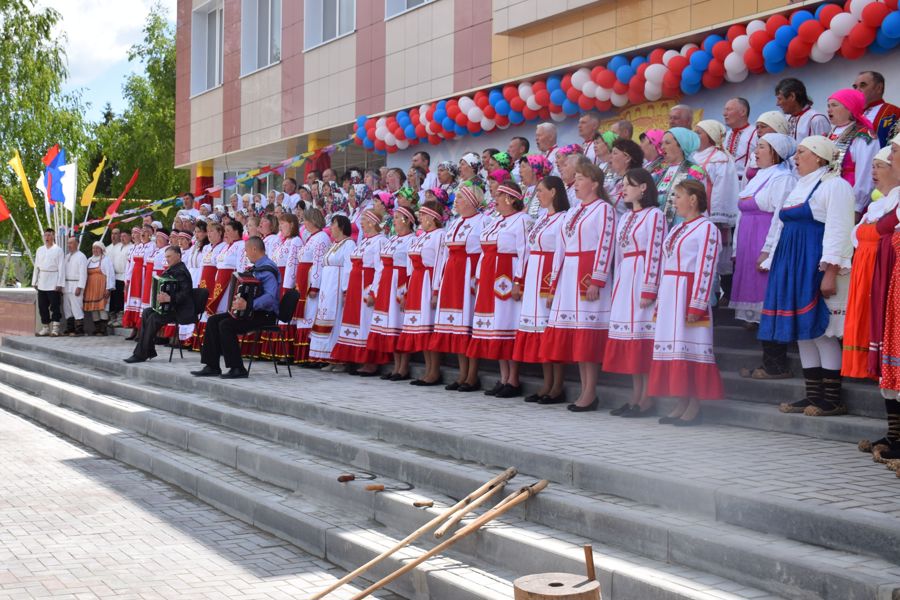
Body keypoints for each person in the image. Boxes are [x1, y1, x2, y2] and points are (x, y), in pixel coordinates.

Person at [759, 136, 855, 417]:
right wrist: (771, 257)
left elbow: (839, 229)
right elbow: (780, 226)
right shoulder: (797, 186)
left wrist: (830, 271)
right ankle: (812, 395)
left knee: (820, 331)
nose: (796, 157)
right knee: (802, 333)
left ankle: (832, 398)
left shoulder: (834, 185)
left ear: (819, 157)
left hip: (814, 263)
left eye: (801, 152)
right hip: (790, 264)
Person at [542, 161, 616, 412]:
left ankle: (590, 391)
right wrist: (553, 284)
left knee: (587, 335)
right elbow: (560, 249)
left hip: (587, 273)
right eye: (575, 178)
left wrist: (598, 278)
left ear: (594, 183)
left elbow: (606, 243)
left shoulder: (604, 209)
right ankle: (585, 389)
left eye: (581, 178)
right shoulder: (573, 212)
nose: (576, 183)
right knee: (577, 336)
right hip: (569, 274)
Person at [650, 179, 724, 424]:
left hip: (689, 293)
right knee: (673, 347)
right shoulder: (677, 228)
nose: (674, 201)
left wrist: (698, 303)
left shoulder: (707, 228)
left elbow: (707, 267)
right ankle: (681, 400)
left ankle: (694, 404)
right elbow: (665, 264)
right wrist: (661, 300)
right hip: (672, 292)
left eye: (678, 196)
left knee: (691, 345)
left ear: (693, 199)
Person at [732, 133, 798, 380]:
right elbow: (741, 214)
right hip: (749, 243)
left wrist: (768, 249)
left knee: (769, 301)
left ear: (775, 151)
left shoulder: (784, 179)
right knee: (759, 304)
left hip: (764, 242)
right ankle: (768, 362)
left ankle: (775, 363)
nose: (755, 152)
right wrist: (738, 249)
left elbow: (781, 217)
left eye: (761, 147)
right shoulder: (758, 176)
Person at [605, 169, 666, 418]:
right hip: (626, 275)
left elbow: (655, 251)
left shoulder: (655, 215)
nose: (624, 189)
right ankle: (636, 395)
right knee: (631, 339)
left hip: (642, 275)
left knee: (642, 337)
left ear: (643, 188)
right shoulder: (625, 217)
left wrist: (650, 287)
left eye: (629, 185)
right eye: (623, 185)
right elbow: (619, 253)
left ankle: (647, 398)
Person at [467, 181, 533, 398]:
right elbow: (484, 251)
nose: (494, 200)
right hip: (489, 276)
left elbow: (525, 252)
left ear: (510, 198)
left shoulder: (522, 220)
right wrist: (477, 276)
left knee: (507, 324)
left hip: (506, 275)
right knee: (496, 327)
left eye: (499, 196)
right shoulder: (496, 221)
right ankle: (503, 376)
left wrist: (519, 281)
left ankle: (513, 378)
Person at [841, 147, 897, 381]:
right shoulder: (876, 206)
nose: (873, 171)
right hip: (865, 270)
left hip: (882, 270)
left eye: (881, 165)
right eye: (872, 166)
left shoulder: (894, 203)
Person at [512, 176, 570, 404]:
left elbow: (561, 251)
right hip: (535, 272)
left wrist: (553, 283)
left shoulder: (563, 218)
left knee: (549, 328)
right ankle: (547, 383)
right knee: (540, 330)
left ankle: (558, 385)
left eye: (542, 191)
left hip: (548, 273)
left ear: (554, 192)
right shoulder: (542, 219)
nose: (538, 195)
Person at [191, 236, 281, 378]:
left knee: (226, 325)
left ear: (254, 249)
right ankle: (212, 365)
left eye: (246, 250)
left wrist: (249, 304)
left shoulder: (268, 269)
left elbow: (270, 297)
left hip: (264, 315)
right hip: (251, 313)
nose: (246, 253)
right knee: (214, 320)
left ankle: (237, 368)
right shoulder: (256, 268)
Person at [430, 185, 486, 392]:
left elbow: (483, 251)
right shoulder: (453, 224)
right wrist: (439, 284)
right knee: (457, 326)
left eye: (461, 197)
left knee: (469, 324)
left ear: (472, 200)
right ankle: (463, 373)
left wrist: (477, 279)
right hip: (453, 274)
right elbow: (444, 255)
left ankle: (472, 374)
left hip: (468, 274)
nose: (457, 200)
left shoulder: (483, 221)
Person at [331, 211, 388, 374]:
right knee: (354, 322)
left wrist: (374, 291)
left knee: (366, 322)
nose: (361, 223)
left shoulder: (380, 241)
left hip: (366, 285)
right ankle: (354, 358)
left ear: (373, 222)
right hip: (356, 285)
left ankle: (370, 362)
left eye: (364, 220)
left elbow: (380, 268)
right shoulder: (363, 242)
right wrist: (347, 287)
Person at [400, 201, 447, 385]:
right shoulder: (421, 236)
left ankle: (434, 371)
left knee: (429, 328)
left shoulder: (440, 235)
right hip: (417, 281)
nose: (421, 218)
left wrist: (436, 290)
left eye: (424, 215)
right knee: (421, 328)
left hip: (428, 280)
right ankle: (428, 369)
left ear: (433, 217)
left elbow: (440, 263)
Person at [367, 206, 416, 380]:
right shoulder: (392, 239)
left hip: (400, 282)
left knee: (399, 323)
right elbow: (380, 267)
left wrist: (407, 291)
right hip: (387, 282)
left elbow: (411, 268)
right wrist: (376, 289)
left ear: (407, 220)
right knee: (391, 325)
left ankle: (404, 367)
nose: (394, 220)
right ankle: (396, 366)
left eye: (397, 217)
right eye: (393, 217)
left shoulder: (412, 239)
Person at [694, 119, 740, 304]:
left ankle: (715, 296)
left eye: (700, 132)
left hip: (709, 215)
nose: (696, 136)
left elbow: (723, 188)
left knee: (713, 257)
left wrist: (717, 215)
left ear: (711, 136)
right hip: (692, 214)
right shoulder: (693, 156)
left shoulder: (720, 158)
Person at [124, 245, 196, 363]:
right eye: (166, 256)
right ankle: (148, 350)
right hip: (170, 308)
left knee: (153, 318)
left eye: (169, 256)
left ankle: (140, 354)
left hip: (180, 310)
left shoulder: (181, 271)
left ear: (178, 256)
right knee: (147, 312)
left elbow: (185, 294)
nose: (167, 259)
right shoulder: (172, 269)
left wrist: (169, 298)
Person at [310, 215, 356, 369]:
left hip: (337, 287)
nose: (330, 227)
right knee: (326, 317)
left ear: (342, 226)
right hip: (327, 288)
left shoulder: (349, 244)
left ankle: (339, 358)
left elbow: (349, 268)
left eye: (334, 224)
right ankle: (329, 357)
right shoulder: (333, 245)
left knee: (336, 320)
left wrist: (345, 289)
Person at [826, 88, 878, 217]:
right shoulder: (830, 133)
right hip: (826, 195)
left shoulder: (864, 136)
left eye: (834, 105)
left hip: (849, 197)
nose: (829, 109)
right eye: (828, 106)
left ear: (849, 108)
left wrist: (857, 206)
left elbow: (866, 172)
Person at [293, 208, 331, 365]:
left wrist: (315, 285)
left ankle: (312, 355)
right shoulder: (311, 237)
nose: (304, 223)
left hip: (310, 282)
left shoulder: (321, 238)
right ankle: (304, 355)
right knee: (304, 315)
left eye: (306, 220)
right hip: (303, 281)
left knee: (310, 315)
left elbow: (318, 262)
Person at [657, 127, 707, 228]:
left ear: (681, 145)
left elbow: (693, 206)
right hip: (660, 230)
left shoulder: (695, 171)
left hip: (683, 229)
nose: (662, 147)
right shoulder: (662, 172)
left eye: (667, 143)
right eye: (661, 143)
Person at [191, 223, 227, 351]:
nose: (210, 234)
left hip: (214, 282)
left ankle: (213, 344)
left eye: (212, 231)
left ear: (220, 233)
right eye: (208, 231)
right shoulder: (206, 248)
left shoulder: (223, 247)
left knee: (212, 309)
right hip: (204, 281)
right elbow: (202, 267)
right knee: (203, 309)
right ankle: (201, 342)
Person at [32, 228, 65, 337]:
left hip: (53, 282)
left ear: (53, 236)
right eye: (45, 235)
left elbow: (61, 268)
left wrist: (60, 283)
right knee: (42, 306)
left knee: (55, 306)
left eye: (49, 235)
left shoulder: (58, 250)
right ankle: (45, 327)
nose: (47, 237)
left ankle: (55, 328)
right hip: (42, 282)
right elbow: (36, 266)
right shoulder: (39, 250)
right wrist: (34, 281)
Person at [854, 70, 900, 146]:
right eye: (855, 87)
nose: (857, 90)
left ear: (879, 88)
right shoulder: (851, 114)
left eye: (863, 85)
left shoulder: (894, 112)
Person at [605, 139, 645, 216]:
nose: (610, 157)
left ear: (627, 158)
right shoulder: (617, 180)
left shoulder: (634, 182)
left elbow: (616, 204)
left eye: (615, 153)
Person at [83, 242, 116, 336]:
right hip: (91, 288)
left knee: (102, 308)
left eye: (97, 248)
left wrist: (108, 288)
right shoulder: (89, 260)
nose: (95, 250)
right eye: (94, 248)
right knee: (93, 308)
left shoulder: (106, 260)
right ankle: (97, 328)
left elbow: (110, 274)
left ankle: (103, 329)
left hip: (102, 287)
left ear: (102, 249)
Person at [723, 97, 758, 183]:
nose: (724, 114)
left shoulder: (756, 134)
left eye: (728, 109)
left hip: (747, 184)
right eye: (724, 110)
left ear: (743, 112)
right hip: (725, 184)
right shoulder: (725, 135)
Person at [122, 227, 147, 334]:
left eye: (136, 233)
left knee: (139, 303)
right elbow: (129, 265)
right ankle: (133, 327)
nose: (133, 235)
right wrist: (127, 279)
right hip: (132, 277)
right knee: (130, 302)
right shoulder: (132, 248)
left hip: (140, 277)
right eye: (132, 233)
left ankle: (138, 328)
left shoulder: (144, 247)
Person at [62, 237, 88, 336]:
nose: (69, 245)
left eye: (71, 243)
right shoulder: (67, 256)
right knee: (67, 308)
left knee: (76, 307)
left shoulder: (81, 256)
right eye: (68, 243)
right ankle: (70, 328)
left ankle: (79, 329)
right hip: (67, 285)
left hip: (76, 285)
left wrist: (80, 286)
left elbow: (83, 273)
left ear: (77, 244)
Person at [107, 228, 130, 327]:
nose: (122, 238)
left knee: (121, 298)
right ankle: (114, 317)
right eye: (121, 237)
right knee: (114, 297)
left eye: (124, 236)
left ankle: (121, 318)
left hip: (124, 275)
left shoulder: (131, 247)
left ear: (129, 237)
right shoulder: (116, 247)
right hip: (115, 275)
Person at [519, 155, 553, 219]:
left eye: (523, 167)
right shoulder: (524, 188)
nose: (520, 171)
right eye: (519, 167)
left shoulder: (544, 191)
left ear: (534, 170)